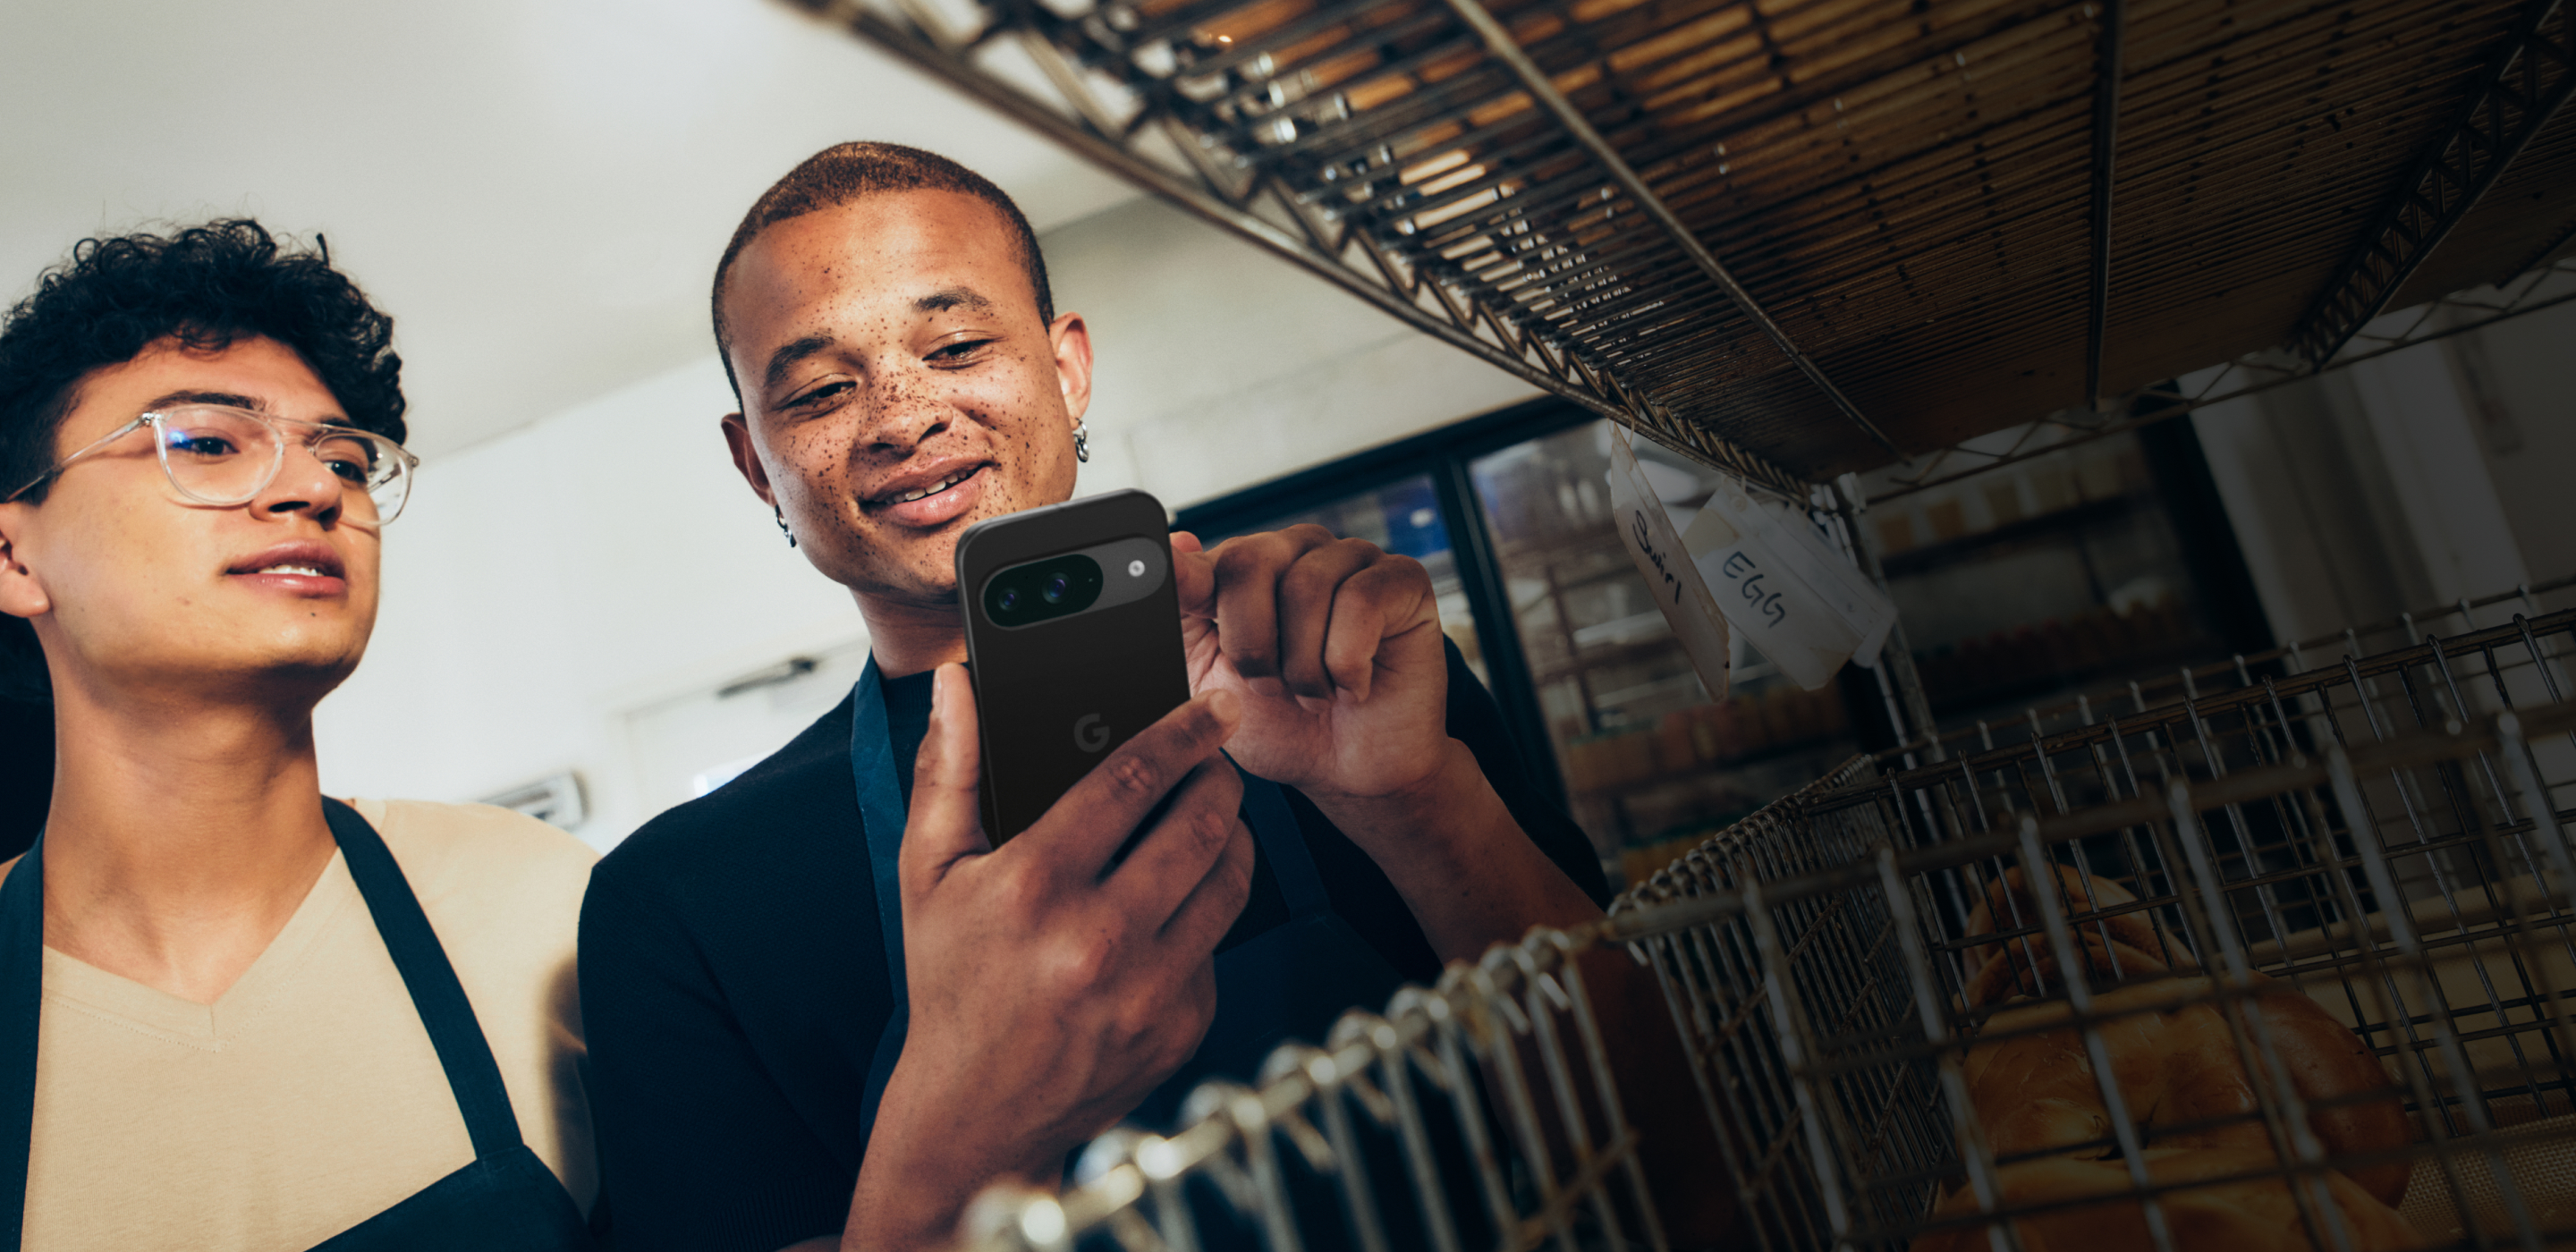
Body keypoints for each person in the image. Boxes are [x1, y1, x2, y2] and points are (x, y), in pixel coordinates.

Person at [578, 143, 1720, 1252]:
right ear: (754, 461)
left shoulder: (1344, 670)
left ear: (1065, 366)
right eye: (823, 388)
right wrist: (964, 1122)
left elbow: (1688, 1174)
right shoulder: (676, 905)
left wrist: (1420, 802)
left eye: (959, 343)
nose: (901, 415)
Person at [0, 221, 597, 1250]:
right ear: (14, 559)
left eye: (347, 458)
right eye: (206, 441)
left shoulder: (547, 910)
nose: (315, 488)